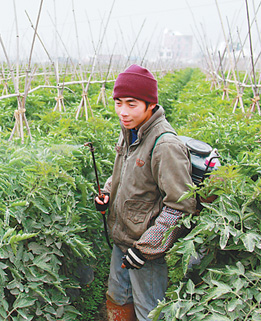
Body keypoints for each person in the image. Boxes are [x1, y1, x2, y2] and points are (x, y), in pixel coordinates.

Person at [95, 64, 196, 321]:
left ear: (150, 104)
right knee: (117, 298)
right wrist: (107, 193)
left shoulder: (165, 146)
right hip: (122, 239)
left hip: (145, 251)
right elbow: (121, 174)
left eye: (131, 104)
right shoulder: (129, 133)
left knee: (149, 311)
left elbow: (181, 206)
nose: (122, 112)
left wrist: (146, 249)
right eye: (118, 103)